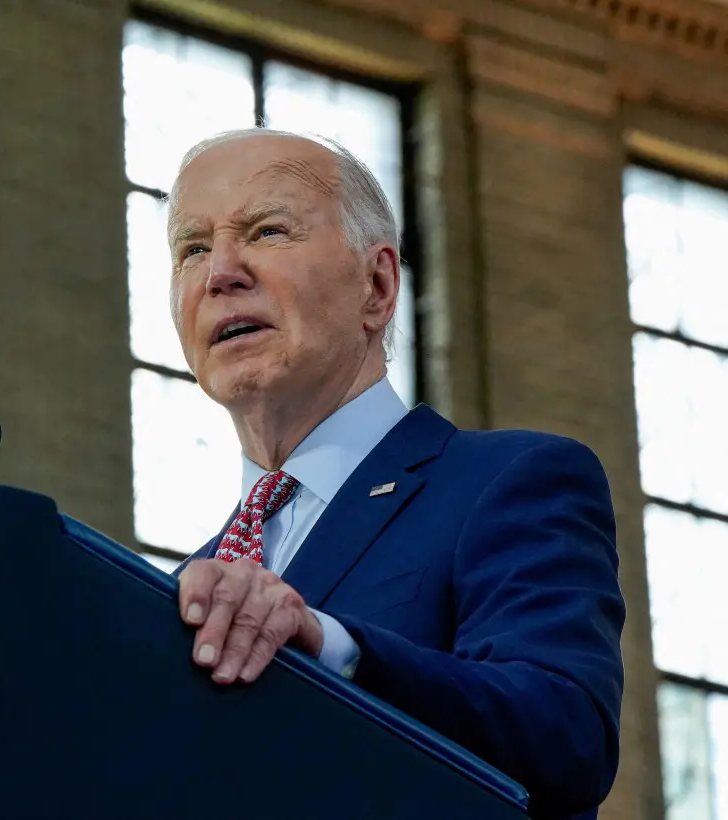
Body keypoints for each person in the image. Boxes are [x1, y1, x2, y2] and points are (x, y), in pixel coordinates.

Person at [166, 128, 625, 820]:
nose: (219, 272)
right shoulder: (177, 593)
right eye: (192, 248)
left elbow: (566, 733)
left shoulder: (508, 482)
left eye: (265, 231)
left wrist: (331, 647)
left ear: (377, 287)